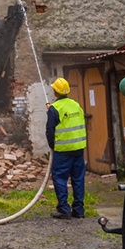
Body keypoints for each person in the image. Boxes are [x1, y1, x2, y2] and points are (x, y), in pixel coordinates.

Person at [46, 77, 87, 219]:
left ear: (55, 92)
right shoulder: (76, 105)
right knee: (78, 179)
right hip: (79, 149)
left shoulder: (54, 108)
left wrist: (52, 146)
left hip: (63, 151)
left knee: (60, 178)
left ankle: (64, 209)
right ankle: (79, 210)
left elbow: (50, 131)